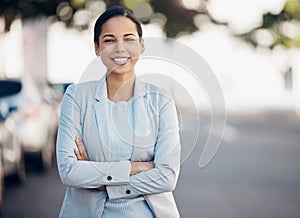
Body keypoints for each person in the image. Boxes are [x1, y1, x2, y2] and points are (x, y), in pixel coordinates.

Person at [56, 5, 181, 218]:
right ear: (97, 47)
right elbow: (69, 171)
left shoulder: (160, 101)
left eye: (129, 39)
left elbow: (167, 176)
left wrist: (102, 180)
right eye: (109, 40)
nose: (120, 48)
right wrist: (136, 167)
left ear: (141, 45)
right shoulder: (77, 97)